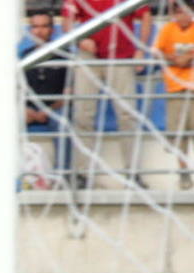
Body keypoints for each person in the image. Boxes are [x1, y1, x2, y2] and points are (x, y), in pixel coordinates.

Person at [61, 0, 152, 188]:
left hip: (120, 55)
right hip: (89, 56)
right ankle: (82, 174)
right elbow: (67, 20)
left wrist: (140, 49)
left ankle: (132, 172)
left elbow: (145, 15)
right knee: (82, 114)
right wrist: (79, 38)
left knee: (128, 115)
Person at [19, 11, 69, 177]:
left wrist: (47, 111)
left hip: (55, 109)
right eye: (35, 27)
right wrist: (26, 110)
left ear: (52, 30)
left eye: (43, 26)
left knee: (62, 123)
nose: (39, 31)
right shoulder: (24, 57)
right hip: (28, 110)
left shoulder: (64, 55)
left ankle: (64, 175)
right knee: (2, 123)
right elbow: (16, 89)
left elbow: (70, 92)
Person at [155, 2, 194, 189]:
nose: (182, 17)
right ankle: (184, 173)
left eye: (186, 13)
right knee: (180, 136)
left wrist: (189, 57)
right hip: (175, 88)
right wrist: (175, 59)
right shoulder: (168, 29)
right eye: (179, 13)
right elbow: (157, 51)